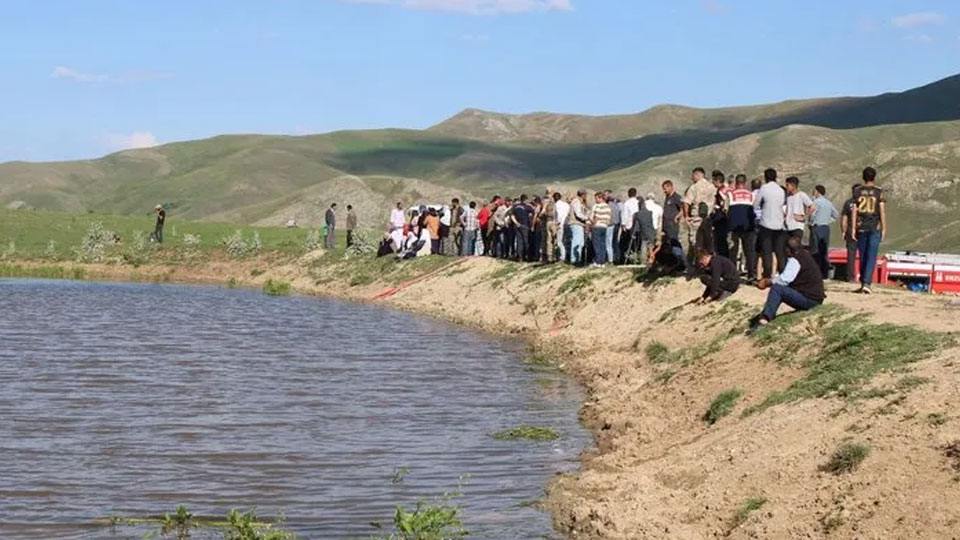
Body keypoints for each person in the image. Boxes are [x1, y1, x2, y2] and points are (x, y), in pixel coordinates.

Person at [750, 237, 825, 327]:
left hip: (810, 300)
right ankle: (765, 314)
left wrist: (766, 282)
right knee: (780, 288)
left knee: (777, 289)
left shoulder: (795, 260)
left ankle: (764, 320)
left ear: (788, 249)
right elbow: (787, 276)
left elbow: (784, 280)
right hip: (815, 298)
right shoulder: (805, 255)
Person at [851, 167, 887, 294]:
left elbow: (854, 210)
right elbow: (882, 211)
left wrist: (853, 228)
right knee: (871, 256)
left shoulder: (857, 191)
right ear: (874, 177)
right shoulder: (879, 192)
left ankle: (863, 282)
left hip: (861, 227)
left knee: (862, 256)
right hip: (874, 227)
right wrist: (884, 228)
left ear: (863, 177)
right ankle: (867, 283)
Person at [682, 167, 717, 270]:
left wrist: (686, 216)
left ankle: (698, 265)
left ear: (697, 175)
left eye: (693, 176)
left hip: (696, 219)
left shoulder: (694, 187)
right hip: (709, 219)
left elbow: (686, 202)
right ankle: (710, 265)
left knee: (695, 243)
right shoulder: (712, 187)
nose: (692, 178)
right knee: (708, 243)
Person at [754, 168, 786, 278]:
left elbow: (755, 204)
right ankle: (782, 274)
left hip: (766, 223)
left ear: (766, 177)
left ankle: (767, 276)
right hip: (779, 224)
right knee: (779, 252)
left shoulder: (764, 188)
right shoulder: (781, 190)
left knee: (766, 251)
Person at [810, 185, 839, 279]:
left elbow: (812, 214)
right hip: (826, 227)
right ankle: (825, 273)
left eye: (814, 191)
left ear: (818, 192)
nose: (813, 192)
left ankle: (816, 272)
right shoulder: (829, 203)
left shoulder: (815, 202)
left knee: (815, 250)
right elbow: (836, 215)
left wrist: (810, 223)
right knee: (824, 250)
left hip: (817, 227)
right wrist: (828, 220)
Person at [661, 181, 687, 273]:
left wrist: (676, 217)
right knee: (669, 246)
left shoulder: (676, 197)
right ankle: (674, 264)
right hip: (666, 225)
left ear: (670, 187)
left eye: (665, 188)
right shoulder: (667, 197)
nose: (664, 191)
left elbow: (683, 208)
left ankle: (683, 263)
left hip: (672, 225)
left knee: (675, 244)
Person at [839, 184, 861, 283]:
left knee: (851, 255)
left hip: (851, 230)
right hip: (862, 230)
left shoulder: (848, 203)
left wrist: (843, 231)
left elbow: (844, 218)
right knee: (863, 254)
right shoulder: (865, 202)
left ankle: (850, 277)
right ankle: (863, 277)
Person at [784, 176, 814, 241]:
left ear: (793, 186)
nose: (786, 187)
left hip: (797, 226)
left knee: (795, 247)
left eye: (787, 185)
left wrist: (804, 217)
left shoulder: (801, 195)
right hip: (788, 226)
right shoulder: (788, 196)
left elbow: (812, 206)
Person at [711, 170, 730, 258]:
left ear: (717, 181)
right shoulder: (728, 189)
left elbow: (723, 204)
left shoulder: (721, 192)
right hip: (727, 218)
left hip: (721, 218)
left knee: (720, 240)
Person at [568, 190, 589, 265]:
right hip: (576, 224)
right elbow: (578, 214)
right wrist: (586, 217)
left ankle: (578, 258)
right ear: (582, 195)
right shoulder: (576, 202)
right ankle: (574, 259)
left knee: (580, 242)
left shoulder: (579, 202)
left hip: (579, 224)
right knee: (577, 241)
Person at [511, 194, 534, 261]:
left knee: (519, 242)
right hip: (525, 225)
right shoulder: (527, 207)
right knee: (526, 241)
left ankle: (520, 257)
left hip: (518, 226)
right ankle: (528, 257)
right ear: (525, 200)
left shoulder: (515, 206)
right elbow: (534, 213)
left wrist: (516, 223)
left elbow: (512, 215)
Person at [590, 192, 611, 266]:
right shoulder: (607, 207)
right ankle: (603, 261)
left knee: (596, 244)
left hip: (597, 226)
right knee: (603, 244)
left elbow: (592, 217)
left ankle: (597, 261)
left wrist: (592, 223)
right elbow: (608, 218)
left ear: (600, 198)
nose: (595, 200)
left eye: (596, 198)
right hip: (604, 227)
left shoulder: (596, 206)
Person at [621, 188, 640, 259]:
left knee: (629, 242)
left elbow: (625, 215)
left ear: (628, 194)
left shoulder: (627, 203)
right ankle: (637, 256)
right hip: (638, 226)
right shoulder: (638, 202)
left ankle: (629, 257)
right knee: (637, 243)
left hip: (629, 225)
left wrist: (623, 225)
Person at [540, 189, 557, 262]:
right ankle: (551, 256)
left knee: (547, 239)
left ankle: (547, 256)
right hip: (551, 221)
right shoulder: (548, 200)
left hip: (547, 221)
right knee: (552, 239)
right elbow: (543, 210)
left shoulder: (544, 200)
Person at [554, 192, 570, 263]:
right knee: (566, 240)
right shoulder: (566, 205)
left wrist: (557, 223)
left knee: (560, 242)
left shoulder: (556, 205)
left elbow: (558, 215)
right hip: (567, 224)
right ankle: (568, 255)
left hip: (560, 224)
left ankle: (562, 257)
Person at [606, 191, 620, 264]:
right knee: (615, 242)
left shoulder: (608, 206)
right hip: (617, 224)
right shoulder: (616, 206)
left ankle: (610, 259)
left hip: (610, 225)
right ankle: (617, 257)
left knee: (609, 242)